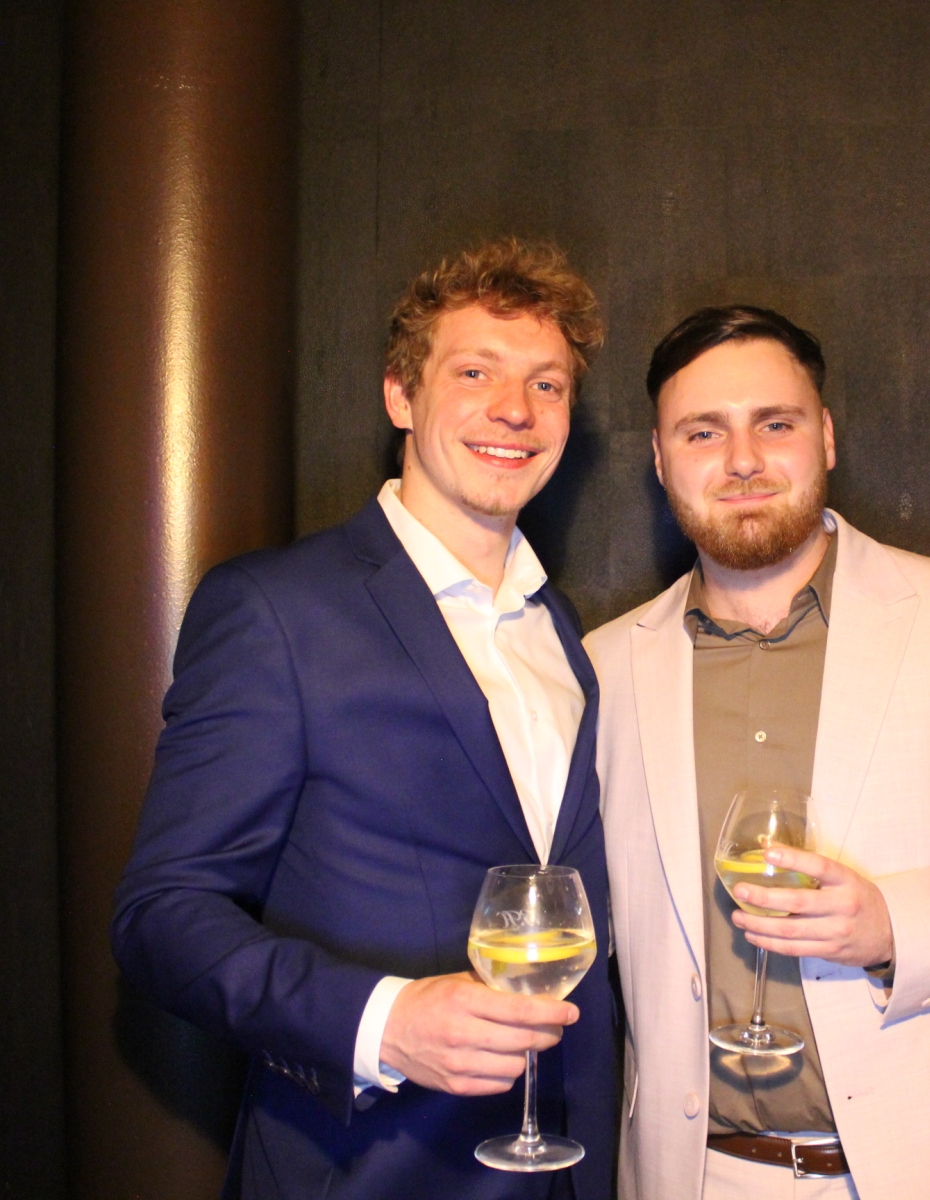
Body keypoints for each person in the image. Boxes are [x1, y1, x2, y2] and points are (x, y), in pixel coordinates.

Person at [586, 306, 930, 1200]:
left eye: (776, 424)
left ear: (827, 437)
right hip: (695, 1174)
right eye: (703, 432)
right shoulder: (604, 667)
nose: (742, 460)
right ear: (659, 458)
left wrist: (895, 927)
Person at [111, 239, 618, 1199]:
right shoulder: (276, 610)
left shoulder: (560, 627)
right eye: (475, 372)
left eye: (547, 384)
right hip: (366, 1172)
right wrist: (383, 1023)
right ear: (401, 396)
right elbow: (162, 916)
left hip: (562, 1168)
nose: (516, 408)